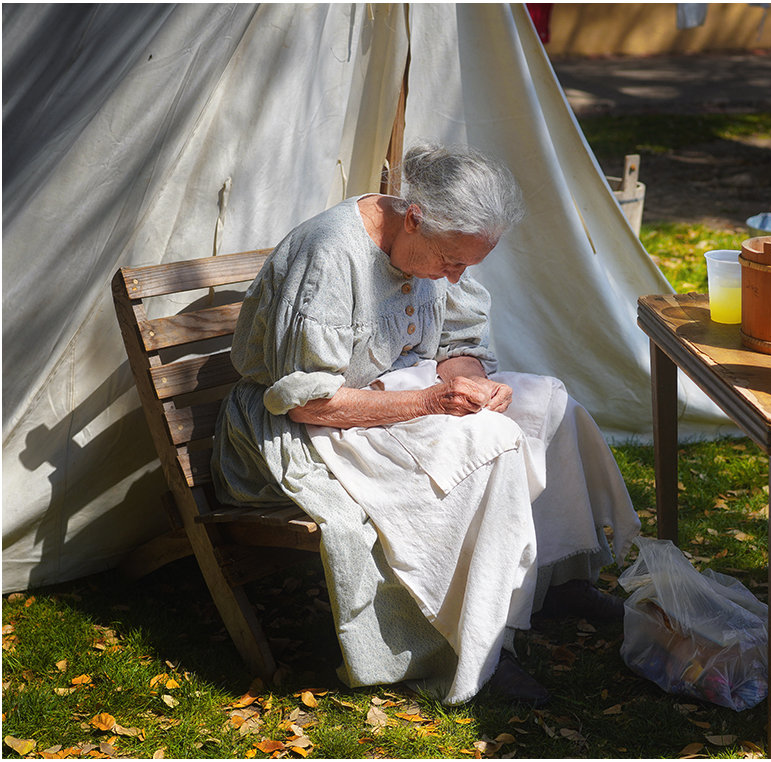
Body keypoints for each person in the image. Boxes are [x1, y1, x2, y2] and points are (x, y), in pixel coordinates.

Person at [212, 142, 641, 706]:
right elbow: (305, 403)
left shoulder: (434, 241)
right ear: (413, 218)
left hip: (399, 398)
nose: (456, 274)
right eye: (452, 262)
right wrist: (436, 404)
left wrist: (472, 383)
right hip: (307, 430)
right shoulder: (331, 256)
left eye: (468, 265)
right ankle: (472, 645)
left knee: (550, 405)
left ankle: (554, 583)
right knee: (488, 444)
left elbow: (459, 344)